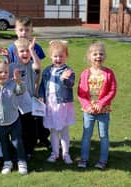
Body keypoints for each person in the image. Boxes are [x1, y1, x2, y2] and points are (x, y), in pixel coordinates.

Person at [0, 16, 50, 153]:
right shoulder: (12, 47)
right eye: (21, 30)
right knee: (23, 122)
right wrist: (8, 57)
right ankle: (22, 146)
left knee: (38, 117)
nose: (23, 33)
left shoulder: (34, 47)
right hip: (18, 93)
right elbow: (8, 69)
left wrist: (37, 88)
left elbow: (38, 67)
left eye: (27, 30)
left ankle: (43, 137)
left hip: (32, 86)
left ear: (31, 31)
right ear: (16, 31)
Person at [77, 42, 117, 170]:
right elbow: (80, 92)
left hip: (103, 110)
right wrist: (87, 105)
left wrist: (101, 103)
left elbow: (112, 90)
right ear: (90, 56)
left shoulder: (109, 73)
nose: (98, 56)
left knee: (104, 135)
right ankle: (83, 158)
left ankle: (103, 160)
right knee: (86, 135)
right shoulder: (85, 73)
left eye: (101, 54)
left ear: (104, 56)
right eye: (95, 54)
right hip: (88, 110)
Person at [38, 40, 75, 164]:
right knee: (53, 130)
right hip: (50, 104)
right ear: (51, 56)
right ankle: (55, 153)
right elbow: (42, 85)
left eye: (61, 56)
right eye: (55, 56)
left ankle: (66, 154)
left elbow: (71, 84)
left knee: (64, 130)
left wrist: (65, 79)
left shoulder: (68, 70)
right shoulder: (47, 71)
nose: (58, 59)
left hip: (63, 104)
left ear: (66, 56)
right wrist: (41, 96)